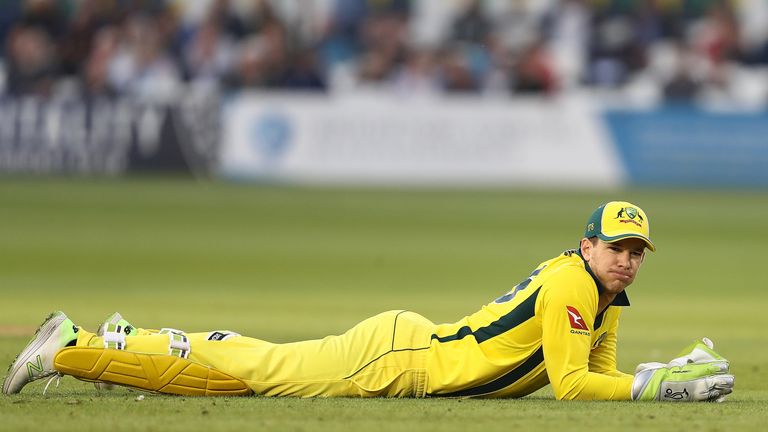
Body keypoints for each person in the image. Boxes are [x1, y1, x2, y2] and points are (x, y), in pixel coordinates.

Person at [2, 201, 734, 401]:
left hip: (407, 350)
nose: (628, 261)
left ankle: (123, 337)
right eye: (617, 247)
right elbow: (575, 389)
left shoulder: (601, 297)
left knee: (256, 362)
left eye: (637, 251)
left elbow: (593, 373)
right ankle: (73, 350)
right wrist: (657, 390)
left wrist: (651, 373)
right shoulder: (575, 283)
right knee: (251, 377)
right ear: (588, 246)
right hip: (400, 361)